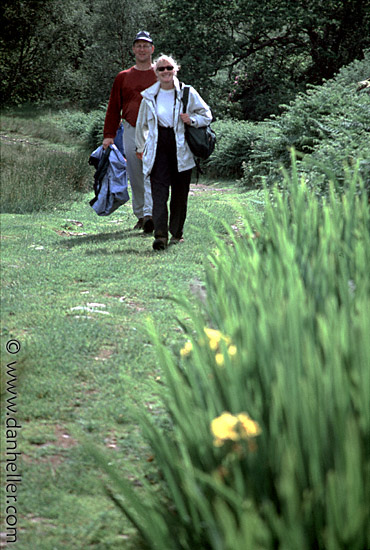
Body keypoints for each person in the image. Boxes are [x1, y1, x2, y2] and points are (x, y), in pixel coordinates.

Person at [135, 54, 212, 250]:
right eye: (161, 69)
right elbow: (141, 125)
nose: (166, 72)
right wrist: (141, 148)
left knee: (179, 192)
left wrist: (191, 120)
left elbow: (207, 115)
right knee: (159, 192)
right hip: (158, 146)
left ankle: (177, 233)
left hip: (181, 147)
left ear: (175, 69)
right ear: (156, 72)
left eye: (169, 68)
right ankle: (160, 236)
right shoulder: (149, 96)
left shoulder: (187, 92)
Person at [102, 31, 157, 232]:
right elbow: (114, 107)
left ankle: (155, 214)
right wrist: (109, 135)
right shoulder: (123, 77)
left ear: (152, 49)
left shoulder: (160, 73)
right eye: (138, 45)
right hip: (132, 129)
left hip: (156, 131)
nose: (142, 49)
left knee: (155, 173)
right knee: (135, 174)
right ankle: (142, 215)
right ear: (133, 49)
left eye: (146, 45)